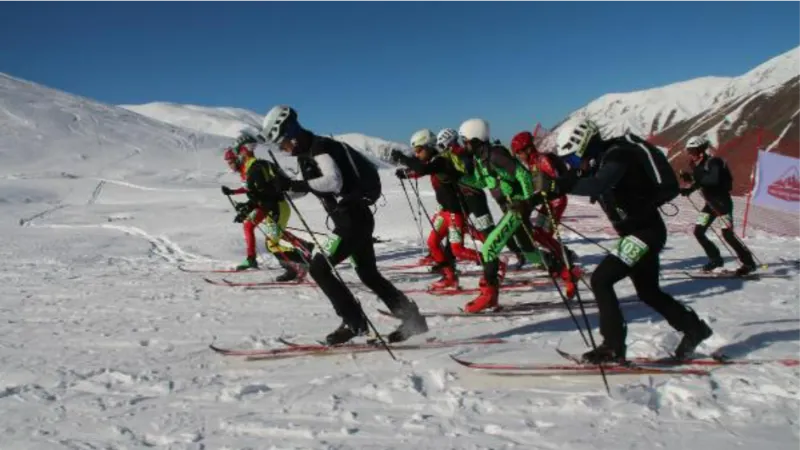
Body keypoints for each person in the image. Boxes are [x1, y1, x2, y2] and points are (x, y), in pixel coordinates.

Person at [257, 105, 428, 345]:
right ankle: (412, 319)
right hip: (356, 218)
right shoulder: (308, 154)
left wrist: (298, 185)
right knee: (368, 273)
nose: (282, 148)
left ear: (291, 133)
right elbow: (311, 187)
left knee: (319, 268)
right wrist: (281, 189)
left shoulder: (320, 148)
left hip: (351, 222)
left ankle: (353, 322)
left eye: (282, 141)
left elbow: (332, 181)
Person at [552, 119, 712, 363]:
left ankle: (612, 346)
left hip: (644, 233)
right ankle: (694, 329)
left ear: (585, 145)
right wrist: (534, 198)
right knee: (648, 292)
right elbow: (580, 179)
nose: (574, 165)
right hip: (640, 232)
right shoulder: (599, 161)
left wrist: (561, 185)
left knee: (601, 280)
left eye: (574, 158)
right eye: (569, 162)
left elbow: (599, 184)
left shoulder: (619, 156)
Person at [457, 118, 541, 313]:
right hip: (510, 208)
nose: (464, 145)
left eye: (465, 141)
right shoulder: (481, 159)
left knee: (488, 249)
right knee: (530, 252)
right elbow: (482, 183)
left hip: (516, 207)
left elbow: (523, 174)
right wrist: (460, 180)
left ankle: (489, 296)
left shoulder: (495, 155)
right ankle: (565, 271)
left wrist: (527, 202)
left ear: (475, 139)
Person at [392, 129, 481, 290]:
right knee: (433, 243)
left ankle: (495, 263)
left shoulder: (442, 160)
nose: (417, 154)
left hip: (456, 210)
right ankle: (449, 277)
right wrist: (406, 174)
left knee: (458, 250)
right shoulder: (433, 161)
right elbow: (422, 169)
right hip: (444, 211)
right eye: (415, 151)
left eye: (419, 150)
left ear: (429, 146)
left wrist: (404, 159)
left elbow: (423, 169)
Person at [436, 128, 528, 270]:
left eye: (443, 146)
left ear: (450, 142)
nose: (442, 150)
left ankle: (514, 254)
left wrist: (458, 174)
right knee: (456, 228)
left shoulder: (464, 155)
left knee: (491, 230)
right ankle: (451, 260)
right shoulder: (452, 155)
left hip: (475, 197)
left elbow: (473, 174)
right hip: (464, 197)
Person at [228, 136, 315, 282]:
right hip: (272, 208)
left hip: (277, 207)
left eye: (238, 152)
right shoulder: (254, 166)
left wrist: (248, 207)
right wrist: (247, 207)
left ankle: (299, 264)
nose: (237, 156)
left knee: (272, 244)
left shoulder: (255, 168)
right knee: (273, 242)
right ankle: (295, 265)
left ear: (243, 150)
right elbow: (259, 194)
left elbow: (264, 194)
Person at [510, 131, 580, 298]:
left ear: (527, 149)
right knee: (538, 234)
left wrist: (547, 188)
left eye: (519, 152)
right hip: (547, 202)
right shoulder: (533, 163)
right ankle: (563, 254)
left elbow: (556, 182)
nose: (519, 156)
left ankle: (565, 264)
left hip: (555, 202)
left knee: (544, 234)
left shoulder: (542, 159)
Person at [679, 136, 756, 276]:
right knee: (698, 232)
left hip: (722, 204)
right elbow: (700, 181)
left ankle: (749, 263)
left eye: (693, 150)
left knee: (728, 235)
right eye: (689, 151)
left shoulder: (714, 162)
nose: (690, 153)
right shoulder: (695, 164)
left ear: (701, 150)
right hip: (710, 204)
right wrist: (688, 188)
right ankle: (716, 260)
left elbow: (713, 180)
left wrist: (694, 180)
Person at [220, 131, 263, 271]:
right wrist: (233, 192)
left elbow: (253, 188)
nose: (230, 166)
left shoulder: (248, 167)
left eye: (231, 161)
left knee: (249, 226)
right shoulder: (244, 169)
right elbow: (247, 188)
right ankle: (251, 258)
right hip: (261, 202)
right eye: (228, 163)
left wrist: (249, 204)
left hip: (266, 203)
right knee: (251, 226)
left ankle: (251, 259)